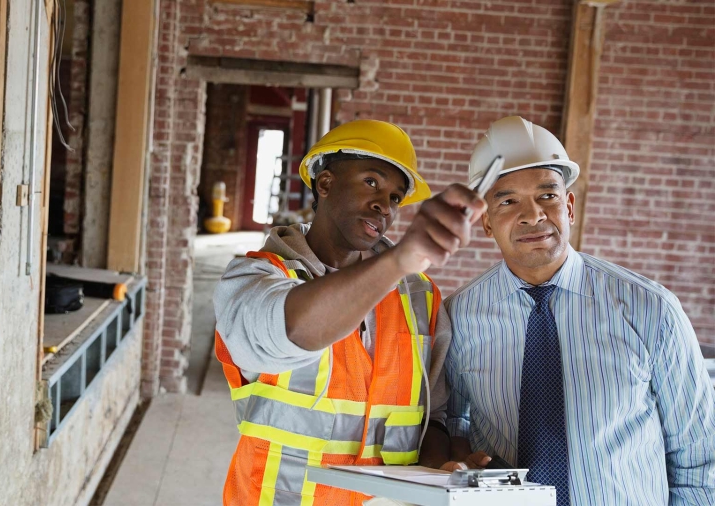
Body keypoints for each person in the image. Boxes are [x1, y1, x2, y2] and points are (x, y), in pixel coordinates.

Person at [444, 116, 715, 505]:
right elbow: (453, 421)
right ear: (485, 221)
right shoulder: (460, 316)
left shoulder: (650, 310)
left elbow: (699, 460)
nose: (533, 214)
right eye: (507, 201)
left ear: (568, 206)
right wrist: (459, 457)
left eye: (548, 195)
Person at [213, 119, 487, 505]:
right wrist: (399, 259)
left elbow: (433, 418)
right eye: (371, 182)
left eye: (395, 197)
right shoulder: (255, 277)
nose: (384, 206)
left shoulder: (419, 296)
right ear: (325, 184)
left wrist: (440, 467)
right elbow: (293, 329)